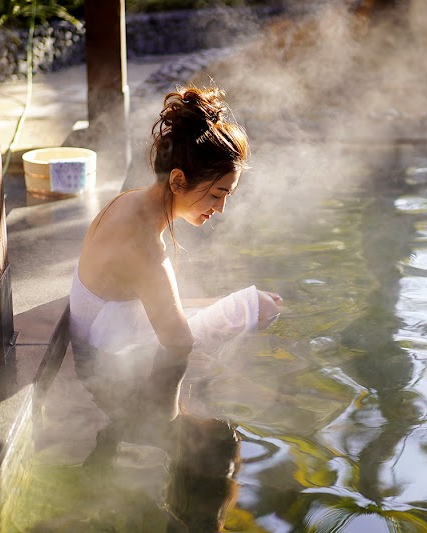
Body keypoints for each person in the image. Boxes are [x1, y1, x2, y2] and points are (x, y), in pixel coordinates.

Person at [69, 85, 282, 420]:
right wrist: (179, 421)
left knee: (246, 304)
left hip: (109, 333)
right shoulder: (144, 249)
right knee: (265, 307)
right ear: (179, 179)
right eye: (216, 195)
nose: (221, 208)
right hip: (110, 360)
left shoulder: (131, 202)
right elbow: (180, 346)